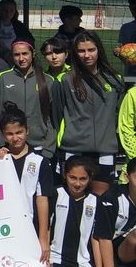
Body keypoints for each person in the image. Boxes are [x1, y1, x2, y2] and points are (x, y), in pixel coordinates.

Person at [50, 31, 124, 195]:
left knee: (101, 202)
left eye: (91, 50)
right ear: (75, 53)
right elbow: (56, 117)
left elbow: (116, 113)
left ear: (99, 50)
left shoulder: (114, 80)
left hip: (105, 151)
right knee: (74, 202)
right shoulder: (64, 80)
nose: (86, 55)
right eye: (81, 51)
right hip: (74, 150)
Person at [43, 156, 109, 267]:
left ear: (90, 178)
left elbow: (95, 237)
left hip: (83, 260)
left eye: (82, 179)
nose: (77, 183)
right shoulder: (56, 194)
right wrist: (45, 250)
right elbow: (47, 226)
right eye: (73, 178)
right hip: (58, 257)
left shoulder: (95, 201)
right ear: (65, 175)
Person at [0, 105, 52, 244]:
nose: (15, 138)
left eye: (19, 132)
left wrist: (43, 240)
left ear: (27, 130)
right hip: (3, 228)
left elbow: (42, 200)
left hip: (30, 227)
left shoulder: (40, 161)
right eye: (10, 134)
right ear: (2, 134)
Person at [0, 40, 58, 158]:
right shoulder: (3, 78)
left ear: (33, 53)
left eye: (25, 53)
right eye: (17, 55)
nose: (21, 58)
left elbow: (53, 119)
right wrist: (1, 145)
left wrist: (49, 149)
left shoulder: (48, 81)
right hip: (11, 146)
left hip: (39, 146)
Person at [98, 168, 135, 267]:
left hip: (125, 251)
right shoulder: (112, 197)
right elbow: (102, 238)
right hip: (104, 250)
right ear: (127, 177)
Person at [116, 0, 136, 87]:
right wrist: (118, 52)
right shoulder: (126, 28)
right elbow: (122, 52)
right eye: (134, 9)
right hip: (131, 75)